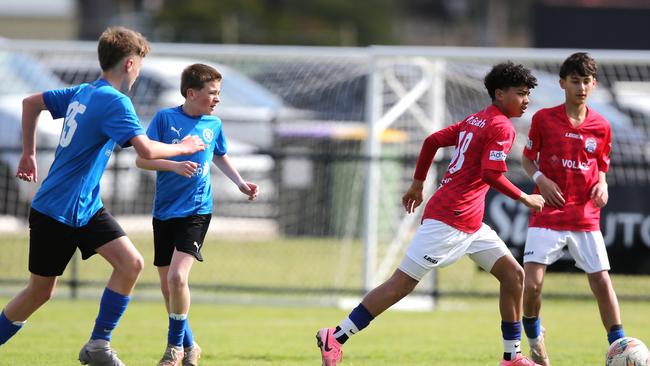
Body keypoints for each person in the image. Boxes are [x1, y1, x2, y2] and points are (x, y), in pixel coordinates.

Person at [316, 61, 545, 366]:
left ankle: (512, 356)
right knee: (401, 285)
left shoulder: (477, 119)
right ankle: (336, 335)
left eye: (527, 93)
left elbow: (432, 141)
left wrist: (417, 185)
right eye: (520, 93)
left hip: (470, 223)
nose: (526, 99)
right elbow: (491, 174)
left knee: (514, 276)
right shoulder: (500, 125)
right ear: (500, 94)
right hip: (450, 220)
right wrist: (524, 197)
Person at [0, 26, 206, 366]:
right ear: (129, 64)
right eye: (139, 64)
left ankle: (98, 344)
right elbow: (146, 150)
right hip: (56, 209)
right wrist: (184, 147)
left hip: (86, 208)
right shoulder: (114, 101)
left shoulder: (85, 91)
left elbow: (31, 102)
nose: (139, 72)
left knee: (131, 264)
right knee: (40, 292)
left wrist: (28, 153)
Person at [135, 63, 259, 366]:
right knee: (168, 288)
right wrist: (174, 164)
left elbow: (219, 154)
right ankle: (191, 346)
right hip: (164, 212)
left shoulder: (213, 124)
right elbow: (143, 160)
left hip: (197, 211)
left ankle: (174, 349)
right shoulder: (165, 118)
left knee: (178, 277)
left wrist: (240, 182)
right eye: (212, 93)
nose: (217, 99)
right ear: (191, 93)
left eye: (219, 93)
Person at [521, 52, 624, 366]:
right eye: (575, 81)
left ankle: (619, 346)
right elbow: (527, 159)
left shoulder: (602, 126)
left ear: (593, 85)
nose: (581, 87)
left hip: (584, 215)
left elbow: (601, 165)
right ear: (563, 83)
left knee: (601, 282)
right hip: (548, 212)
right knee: (533, 283)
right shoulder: (543, 119)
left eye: (586, 81)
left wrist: (602, 184)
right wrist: (541, 178)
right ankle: (535, 337)